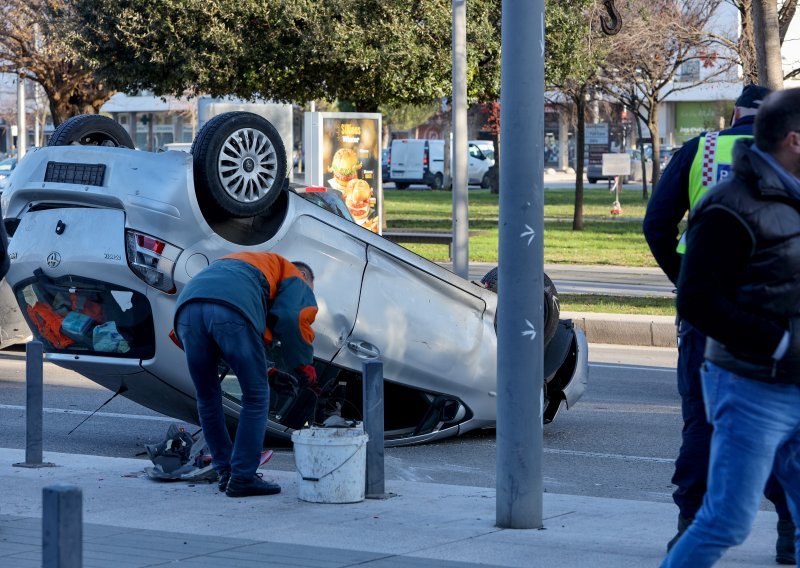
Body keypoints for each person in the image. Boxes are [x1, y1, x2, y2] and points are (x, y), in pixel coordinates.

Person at [643, 84, 796, 564]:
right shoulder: (764, 187)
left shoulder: (701, 149)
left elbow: (657, 224)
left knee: (702, 422)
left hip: (710, 320)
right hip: (759, 332)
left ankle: (687, 524)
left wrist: (684, 277)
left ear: (736, 114)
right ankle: (787, 533)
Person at [172, 252, 317, 498]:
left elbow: (224, 339)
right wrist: (303, 365)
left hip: (186, 313)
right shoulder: (290, 272)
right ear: (304, 276)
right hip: (230, 310)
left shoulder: (242, 266)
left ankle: (226, 472)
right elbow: (294, 317)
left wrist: (269, 371)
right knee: (256, 396)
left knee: (207, 398)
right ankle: (243, 477)